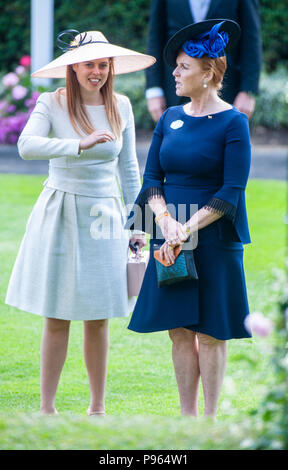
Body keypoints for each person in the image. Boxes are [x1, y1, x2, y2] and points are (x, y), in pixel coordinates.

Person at [5, 29, 154, 415]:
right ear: (73, 67)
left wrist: (138, 230)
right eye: (90, 63)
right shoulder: (51, 103)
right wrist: (78, 144)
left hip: (105, 213)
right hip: (60, 210)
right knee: (56, 314)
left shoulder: (121, 105)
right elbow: (26, 145)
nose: (98, 71)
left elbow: (130, 169)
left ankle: (97, 407)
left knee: (99, 315)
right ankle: (47, 408)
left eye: (104, 64)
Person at [126, 20, 252, 420]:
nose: (175, 74)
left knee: (212, 332)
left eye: (183, 67)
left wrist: (187, 227)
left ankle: (210, 420)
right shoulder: (170, 118)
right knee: (178, 329)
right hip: (170, 236)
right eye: (176, 66)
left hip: (213, 236)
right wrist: (165, 222)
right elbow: (152, 179)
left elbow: (231, 190)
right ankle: (187, 419)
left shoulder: (234, 123)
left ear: (208, 73)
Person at [146, 0, 262, 122]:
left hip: (226, 89)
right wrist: (154, 89)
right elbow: (155, 37)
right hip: (175, 90)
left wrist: (248, 91)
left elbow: (251, 39)